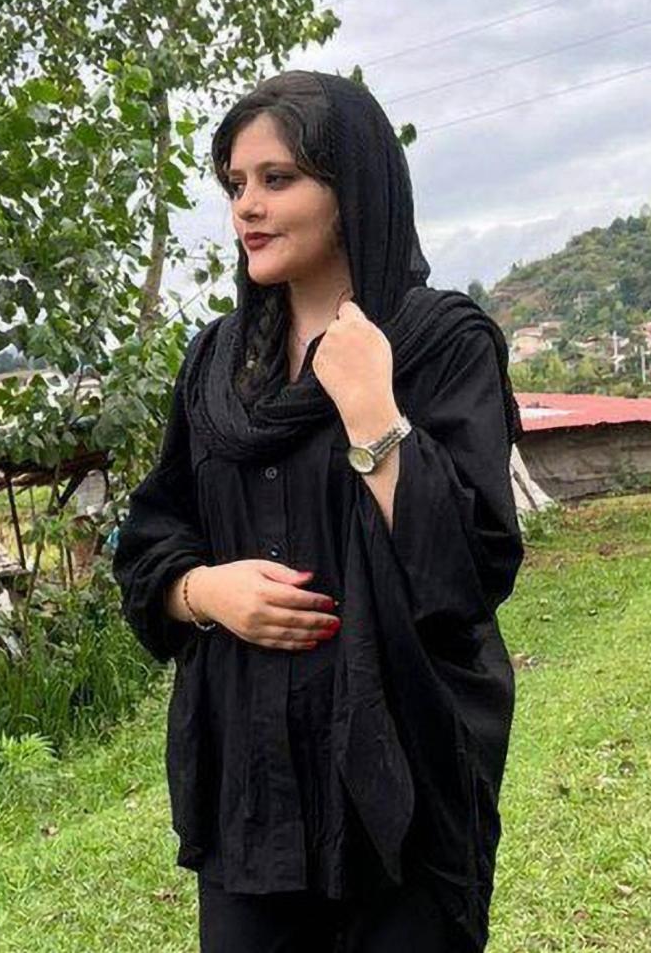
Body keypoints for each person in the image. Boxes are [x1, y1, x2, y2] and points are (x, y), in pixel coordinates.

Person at [112, 70, 525, 953]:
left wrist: (375, 416)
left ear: (353, 186)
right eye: (235, 184)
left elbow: (470, 573)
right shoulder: (218, 368)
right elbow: (152, 538)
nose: (247, 208)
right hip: (253, 788)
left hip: (401, 785)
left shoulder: (439, 344)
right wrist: (204, 592)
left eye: (278, 178)